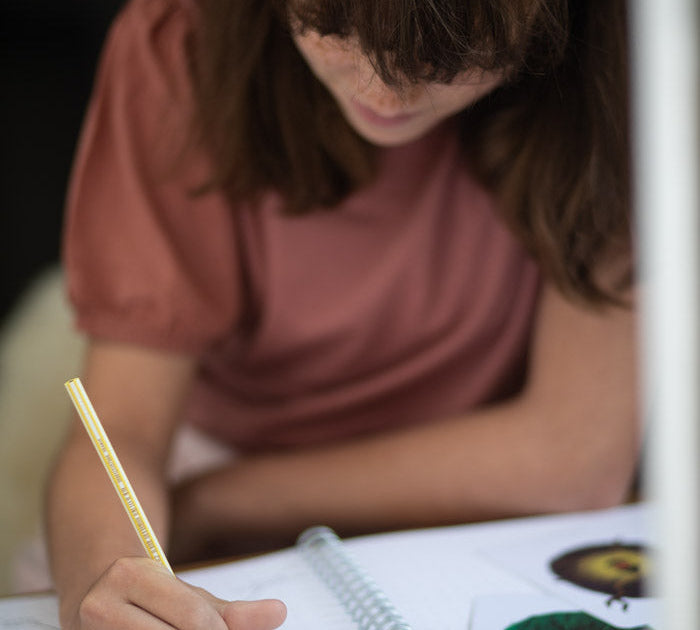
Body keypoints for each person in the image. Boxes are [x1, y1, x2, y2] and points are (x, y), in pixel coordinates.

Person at [46, 0, 639, 628]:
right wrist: (110, 578)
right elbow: (118, 430)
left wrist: (214, 501)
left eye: (455, 50)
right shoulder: (182, 40)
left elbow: (573, 461)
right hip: (204, 466)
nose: (382, 89)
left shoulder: (633, 67)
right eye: (334, 26)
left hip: (480, 511)